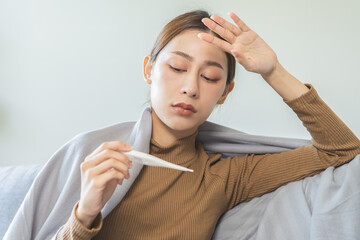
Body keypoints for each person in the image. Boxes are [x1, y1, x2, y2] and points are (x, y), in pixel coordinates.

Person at [50, 9, 360, 239]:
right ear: (149, 70)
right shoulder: (94, 157)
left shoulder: (222, 179)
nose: (190, 87)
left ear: (225, 92)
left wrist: (273, 71)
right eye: (177, 67)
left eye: (210, 77)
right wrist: (85, 213)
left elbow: (340, 149)